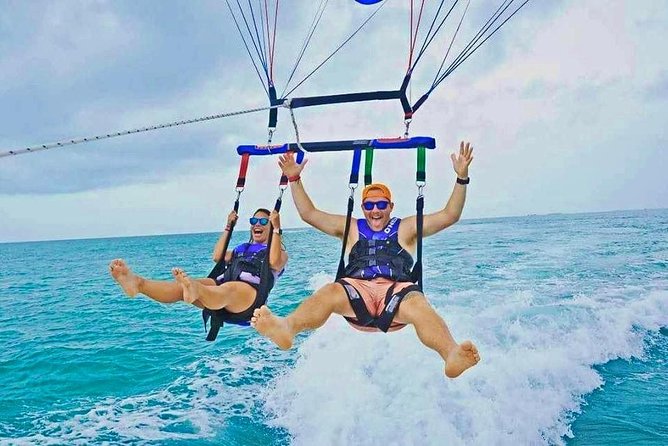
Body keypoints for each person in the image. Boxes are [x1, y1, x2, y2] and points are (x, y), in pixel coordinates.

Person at [251, 142, 480, 378]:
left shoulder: (406, 227)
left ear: (390, 206)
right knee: (329, 292)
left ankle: (451, 353)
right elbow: (309, 214)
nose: (375, 210)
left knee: (418, 305)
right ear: (362, 207)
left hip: (397, 294)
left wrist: (462, 178)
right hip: (356, 293)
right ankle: (286, 328)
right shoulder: (351, 227)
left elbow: (450, 215)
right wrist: (294, 179)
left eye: (381, 204)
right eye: (369, 205)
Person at [109, 208, 288, 322]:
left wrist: (277, 228)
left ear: (270, 226)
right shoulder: (243, 248)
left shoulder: (279, 252)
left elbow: (274, 262)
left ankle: (196, 290)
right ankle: (138, 284)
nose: (257, 224)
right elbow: (217, 256)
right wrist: (228, 227)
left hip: (249, 300)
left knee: (227, 289)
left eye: (264, 221)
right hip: (220, 288)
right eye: (254, 221)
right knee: (184, 288)